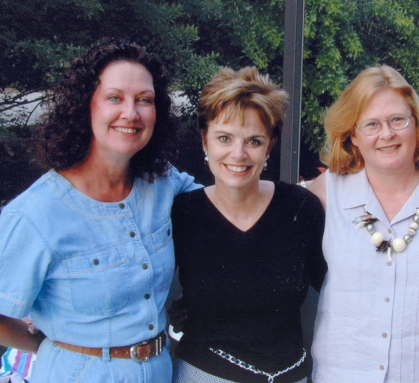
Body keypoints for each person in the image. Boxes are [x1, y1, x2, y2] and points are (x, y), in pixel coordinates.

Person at [0, 38, 199, 383]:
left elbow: (226, 206)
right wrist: (49, 346)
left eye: (144, 100)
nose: (131, 113)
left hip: (160, 371)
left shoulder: (164, 183)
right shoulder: (35, 215)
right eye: (114, 98)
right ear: (86, 106)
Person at [306, 65, 419, 382]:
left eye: (397, 120)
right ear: (352, 135)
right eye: (371, 124)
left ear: (416, 124)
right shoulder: (326, 192)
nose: (387, 134)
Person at [170, 66, 326, 383]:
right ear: (205, 141)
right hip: (205, 376)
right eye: (224, 138)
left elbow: (338, 290)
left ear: (269, 147)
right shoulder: (183, 213)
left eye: (253, 141)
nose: (238, 155)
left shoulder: (300, 208)